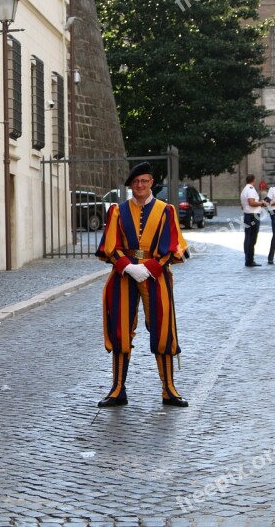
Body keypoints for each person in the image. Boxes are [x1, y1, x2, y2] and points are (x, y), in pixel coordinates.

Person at [95, 161, 189, 408]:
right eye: (136, 182)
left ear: (151, 184)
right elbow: (109, 246)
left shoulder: (166, 210)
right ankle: (117, 389)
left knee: (163, 329)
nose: (140, 185)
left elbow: (175, 246)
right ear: (131, 185)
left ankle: (168, 388)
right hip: (124, 274)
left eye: (144, 181)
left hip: (155, 275)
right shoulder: (117, 210)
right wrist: (129, 267)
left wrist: (149, 268)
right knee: (121, 330)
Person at [240, 174, 266, 267]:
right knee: (252, 238)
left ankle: (248, 258)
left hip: (247, 215)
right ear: (253, 180)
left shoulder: (244, 190)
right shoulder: (250, 189)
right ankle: (250, 260)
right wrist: (262, 203)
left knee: (248, 237)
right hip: (253, 216)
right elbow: (251, 202)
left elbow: (242, 205)